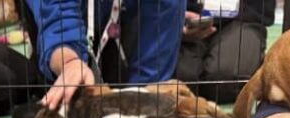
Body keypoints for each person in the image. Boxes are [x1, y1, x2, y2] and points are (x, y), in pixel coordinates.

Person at [20, 0, 186, 110]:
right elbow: (58, 21)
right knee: (71, 97)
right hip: (65, 26)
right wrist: (70, 62)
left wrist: (141, 100)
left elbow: (154, 63)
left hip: (121, 20)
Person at [175, 0, 275, 104]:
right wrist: (175, 19)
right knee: (182, 79)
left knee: (227, 80)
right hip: (181, 17)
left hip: (242, 18)